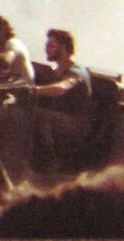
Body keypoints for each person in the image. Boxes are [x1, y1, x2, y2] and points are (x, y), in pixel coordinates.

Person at [30, 28, 92, 171]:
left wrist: (35, 90)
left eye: (51, 45)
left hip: (76, 123)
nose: (46, 49)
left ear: (64, 48)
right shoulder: (55, 71)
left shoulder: (76, 71)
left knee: (39, 116)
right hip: (60, 120)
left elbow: (62, 87)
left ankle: (48, 166)